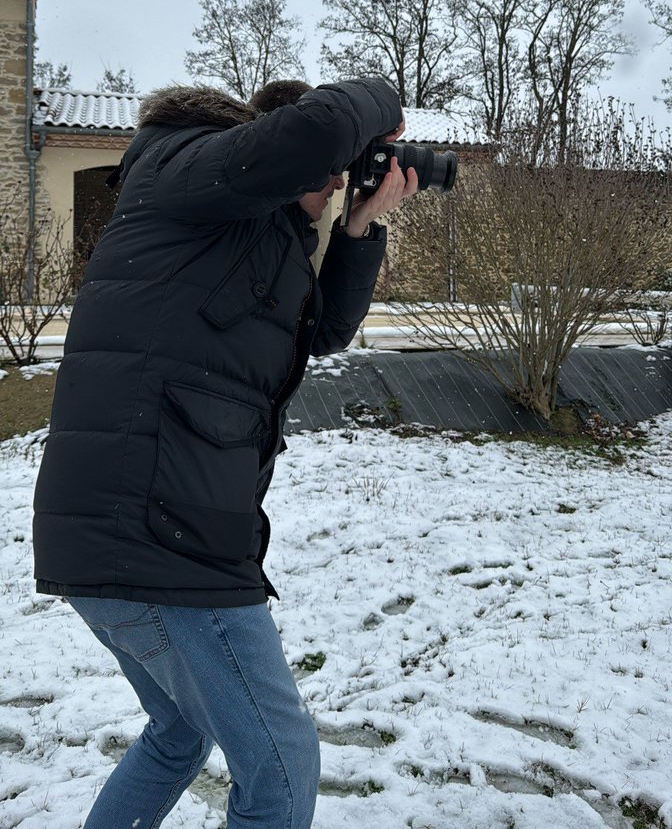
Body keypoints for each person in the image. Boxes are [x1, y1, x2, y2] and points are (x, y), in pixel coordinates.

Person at [32, 75, 419, 829]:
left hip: (140, 528)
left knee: (178, 733)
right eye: (331, 171)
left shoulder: (239, 237)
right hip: (160, 537)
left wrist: (359, 227)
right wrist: (385, 103)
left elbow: (320, 333)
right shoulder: (184, 163)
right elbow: (314, 133)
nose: (335, 182)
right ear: (265, 152)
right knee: (281, 765)